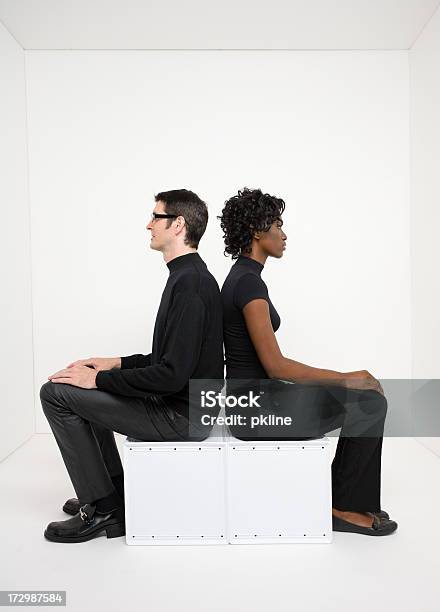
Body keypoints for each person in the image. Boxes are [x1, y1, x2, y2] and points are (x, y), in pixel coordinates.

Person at [40, 189, 224, 543]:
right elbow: (169, 360)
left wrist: (102, 380)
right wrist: (114, 363)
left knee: (55, 394)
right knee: (77, 387)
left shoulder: (192, 284)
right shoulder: (186, 276)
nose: (148, 224)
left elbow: (171, 376)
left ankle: (105, 509)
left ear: (178, 224)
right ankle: (112, 494)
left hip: (183, 416)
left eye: (156, 217)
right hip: (180, 406)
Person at [218, 187, 398, 536]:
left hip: (253, 404)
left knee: (366, 402)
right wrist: (348, 377)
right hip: (256, 412)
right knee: (371, 402)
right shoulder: (248, 285)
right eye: (278, 225)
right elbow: (277, 367)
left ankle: (340, 501)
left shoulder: (243, 277)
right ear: (257, 231)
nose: (284, 235)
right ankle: (344, 509)